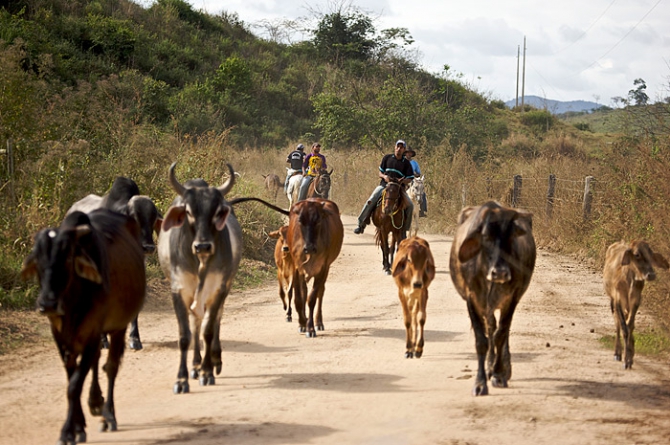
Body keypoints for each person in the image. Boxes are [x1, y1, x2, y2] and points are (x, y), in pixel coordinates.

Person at [353, 140, 414, 238]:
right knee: (371, 199)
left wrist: (402, 181)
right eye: (397, 146)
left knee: (410, 205)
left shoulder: (406, 163)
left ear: (404, 150)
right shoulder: (387, 158)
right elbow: (380, 173)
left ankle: (404, 230)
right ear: (395, 147)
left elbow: (410, 178)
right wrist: (384, 177)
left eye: (401, 147)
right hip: (385, 185)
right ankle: (361, 224)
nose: (399, 149)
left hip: (399, 188)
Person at [405, 147, 427, 217]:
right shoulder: (402, 162)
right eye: (407, 153)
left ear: (411, 154)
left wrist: (414, 174)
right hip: (404, 180)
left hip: (413, 180)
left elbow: (418, 173)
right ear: (405, 153)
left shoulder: (414, 163)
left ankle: (422, 210)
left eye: (410, 153)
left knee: (422, 193)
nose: (408, 154)